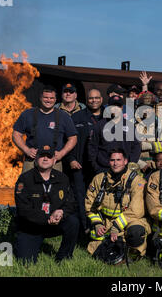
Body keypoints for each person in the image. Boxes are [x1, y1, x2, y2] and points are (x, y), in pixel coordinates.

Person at [14, 145, 79, 264]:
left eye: (49, 156)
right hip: (31, 228)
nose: (45, 159)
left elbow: (71, 202)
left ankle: (63, 258)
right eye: (42, 156)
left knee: (73, 222)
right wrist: (47, 218)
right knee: (26, 263)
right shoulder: (25, 179)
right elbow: (23, 210)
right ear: (36, 159)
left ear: (54, 160)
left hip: (54, 224)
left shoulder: (62, 178)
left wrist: (61, 212)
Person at [85, 149, 151, 260]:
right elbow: (89, 204)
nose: (115, 163)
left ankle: (132, 253)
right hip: (106, 222)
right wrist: (97, 223)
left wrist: (116, 226)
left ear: (125, 161)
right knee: (100, 251)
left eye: (118, 160)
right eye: (112, 160)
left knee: (136, 232)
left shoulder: (137, 181)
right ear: (108, 162)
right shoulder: (99, 179)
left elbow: (136, 210)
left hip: (128, 221)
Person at [12, 85, 77, 173]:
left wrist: (62, 153)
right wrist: (26, 150)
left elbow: (73, 138)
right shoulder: (27, 114)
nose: (48, 100)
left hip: (54, 161)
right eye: (46, 97)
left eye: (51, 98)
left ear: (55, 99)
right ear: (40, 98)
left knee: (55, 186)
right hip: (32, 160)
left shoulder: (63, 116)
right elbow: (16, 134)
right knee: (28, 185)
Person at [66, 88, 104, 232]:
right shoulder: (77, 117)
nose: (94, 101)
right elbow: (67, 140)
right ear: (86, 101)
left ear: (101, 99)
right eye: (90, 98)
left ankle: (99, 228)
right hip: (79, 166)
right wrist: (70, 159)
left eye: (96, 98)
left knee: (100, 198)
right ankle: (84, 230)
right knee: (81, 199)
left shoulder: (109, 117)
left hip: (101, 166)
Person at [88, 95, 141, 174]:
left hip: (124, 170)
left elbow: (136, 146)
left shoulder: (129, 126)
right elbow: (92, 147)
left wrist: (130, 164)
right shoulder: (99, 126)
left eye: (118, 106)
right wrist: (96, 167)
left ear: (122, 108)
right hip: (104, 169)